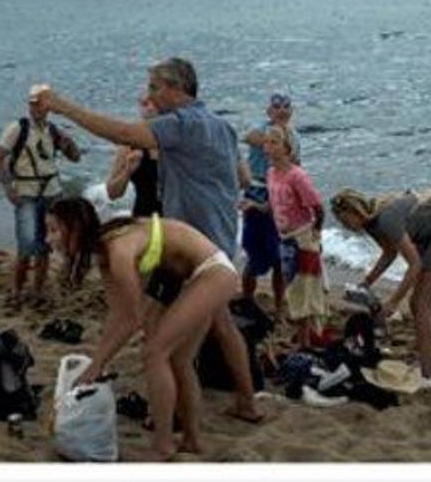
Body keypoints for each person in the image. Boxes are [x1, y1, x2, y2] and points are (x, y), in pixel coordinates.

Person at [31, 57, 264, 423]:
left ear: (176, 88)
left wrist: (61, 105)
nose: (149, 96)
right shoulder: (221, 126)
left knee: (163, 341)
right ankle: (240, 403)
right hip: (215, 239)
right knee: (211, 324)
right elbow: (242, 179)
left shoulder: (182, 123)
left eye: (154, 87)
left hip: (192, 248)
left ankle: (168, 416)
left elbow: (123, 133)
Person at [46, 197, 238, 458]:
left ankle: (163, 444)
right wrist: (97, 361)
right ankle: (191, 440)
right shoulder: (105, 252)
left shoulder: (118, 251)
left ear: (75, 228)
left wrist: (98, 365)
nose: (49, 239)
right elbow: (118, 314)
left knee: (154, 353)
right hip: (195, 276)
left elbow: (131, 319)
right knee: (179, 360)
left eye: (54, 230)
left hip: (212, 271)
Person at [329, 186, 431, 389]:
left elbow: (415, 265)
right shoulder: (371, 223)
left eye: (345, 220)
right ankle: (426, 361)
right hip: (428, 238)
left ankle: (428, 374)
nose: (346, 226)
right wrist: (367, 282)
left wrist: (394, 302)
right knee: (418, 304)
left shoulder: (385, 219)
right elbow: (389, 253)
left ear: (355, 211)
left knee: (420, 304)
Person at [0, 85, 81, 308]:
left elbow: (75, 157)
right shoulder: (17, 128)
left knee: (44, 246)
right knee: (26, 245)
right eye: (32, 103)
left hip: (52, 192)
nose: (35, 108)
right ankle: (17, 290)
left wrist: (68, 144)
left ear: (48, 106)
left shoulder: (53, 131)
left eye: (40, 103)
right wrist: (7, 187)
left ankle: (38, 290)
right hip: (27, 194)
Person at [262, 125, 326, 348]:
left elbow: (318, 207)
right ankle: (304, 336)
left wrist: (316, 233)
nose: (268, 147)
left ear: (288, 148)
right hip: (285, 236)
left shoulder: (297, 176)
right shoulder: (270, 173)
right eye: (267, 142)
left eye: (274, 143)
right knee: (293, 285)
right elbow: (274, 204)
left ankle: (306, 340)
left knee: (305, 288)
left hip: (302, 237)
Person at [239, 93, 301, 316]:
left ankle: (278, 305)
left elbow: (297, 167)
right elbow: (248, 137)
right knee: (256, 255)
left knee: (280, 256)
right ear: (269, 111)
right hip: (258, 193)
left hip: (282, 198)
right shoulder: (261, 128)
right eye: (277, 107)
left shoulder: (294, 136)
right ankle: (246, 301)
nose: (282, 110)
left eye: (286, 106)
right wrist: (273, 138)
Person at [106, 94, 162, 218]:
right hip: (144, 216)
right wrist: (127, 171)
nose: (150, 108)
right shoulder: (130, 145)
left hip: (175, 218)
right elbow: (112, 193)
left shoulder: (176, 141)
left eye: (155, 104)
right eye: (145, 104)